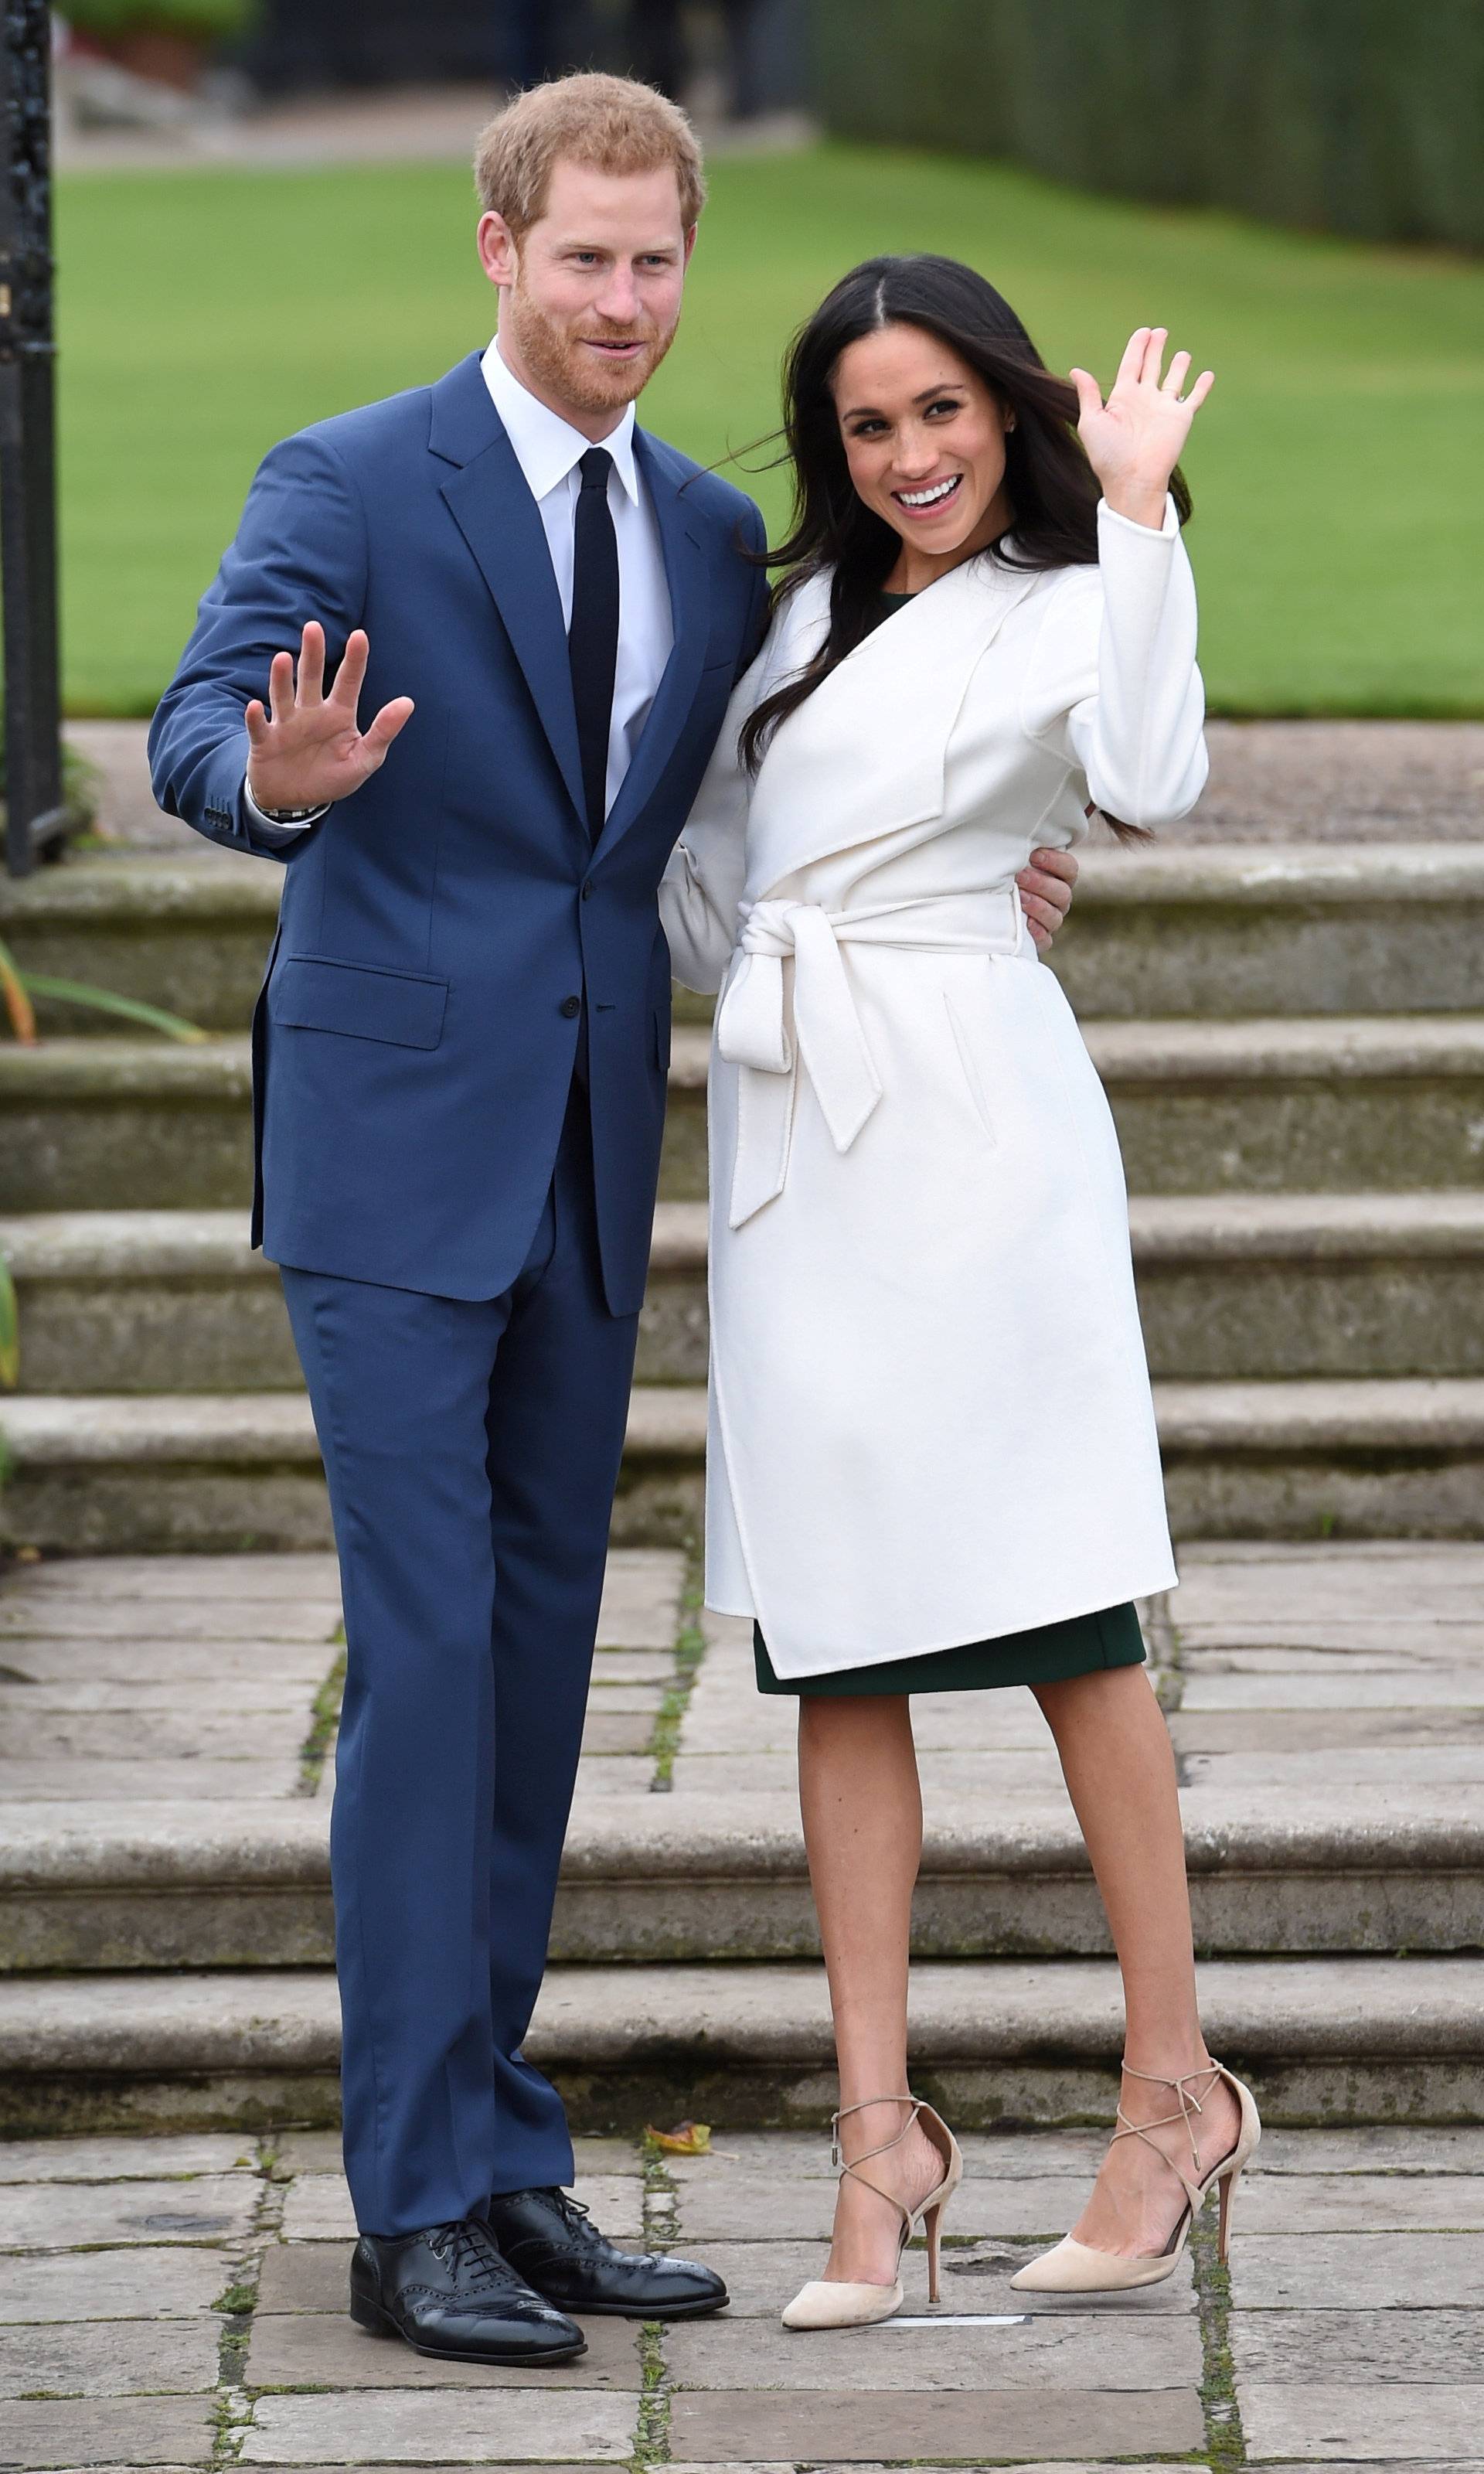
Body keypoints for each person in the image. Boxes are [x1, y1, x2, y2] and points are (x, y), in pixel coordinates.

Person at [147, 72, 1081, 2365]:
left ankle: (501, 2152)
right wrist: (270, 783)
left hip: (585, 1151)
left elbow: (721, 843)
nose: (625, 302)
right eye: (583, 257)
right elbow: (191, 732)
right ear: (497, 245)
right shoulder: (350, 481)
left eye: (659, 262)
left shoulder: (692, 524)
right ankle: (411, 2206)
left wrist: (965, 887)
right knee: (436, 1651)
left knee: (545, 1663)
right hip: (381, 1158)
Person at [660, 255, 1261, 2332]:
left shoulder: (1077, 588)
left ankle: (1174, 2090)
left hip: (980, 1140)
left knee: (1067, 1615)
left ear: (1007, 409)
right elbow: (713, 871)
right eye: (868, 426)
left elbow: (1159, 769)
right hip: (802, 1139)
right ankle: (874, 2141)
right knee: (834, 1642)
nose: (911, 454)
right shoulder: (800, 622)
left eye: (942, 412)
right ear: (835, 451)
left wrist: (1144, 511)